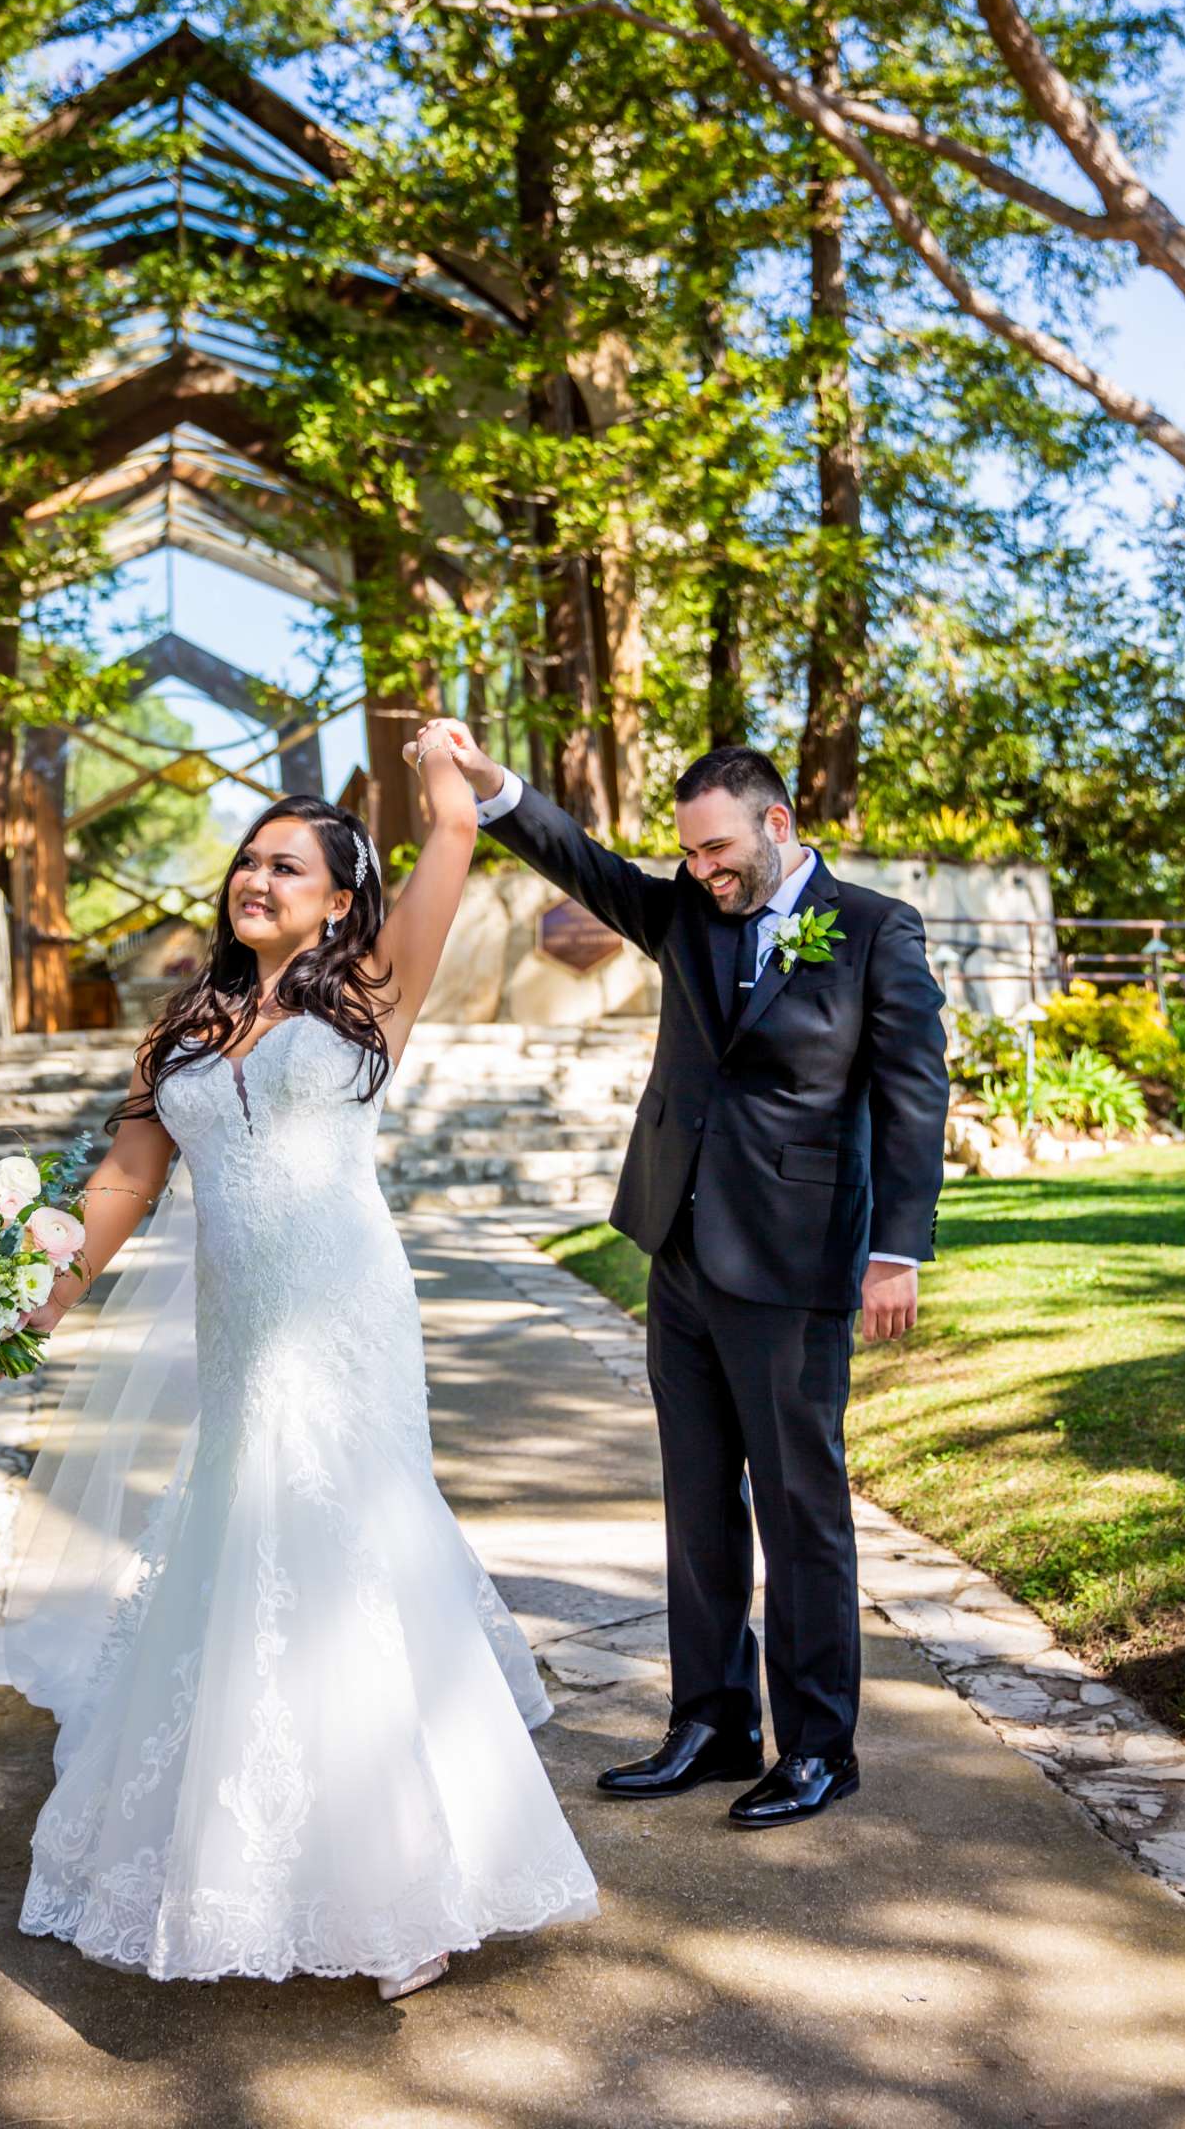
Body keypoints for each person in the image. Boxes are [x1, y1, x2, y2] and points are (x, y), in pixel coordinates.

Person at [0, 730, 597, 1999]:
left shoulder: (374, 993)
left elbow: (454, 846)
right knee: (241, 1541)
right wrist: (45, 1294)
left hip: (349, 1315)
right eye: (249, 863)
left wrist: (435, 774)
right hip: (242, 1330)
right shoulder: (179, 1032)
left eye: (288, 868)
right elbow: (128, 1179)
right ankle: (244, 1847)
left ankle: (404, 1886)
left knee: (342, 1547)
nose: (258, 880)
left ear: (338, 899)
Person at [414, 723, 948, 1830]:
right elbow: (584, 864)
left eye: (716, 852)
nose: (700, 872)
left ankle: (817, 1746)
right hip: (679, 1251)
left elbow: (912, 1095)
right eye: (689, 855)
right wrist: (485, 782)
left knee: (801, 1510)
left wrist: (895, 1250)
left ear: (777, 825)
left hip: (796, 1263)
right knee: (698, 1500)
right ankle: (709, 1722)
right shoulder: (682, 911)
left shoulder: (871, 931)